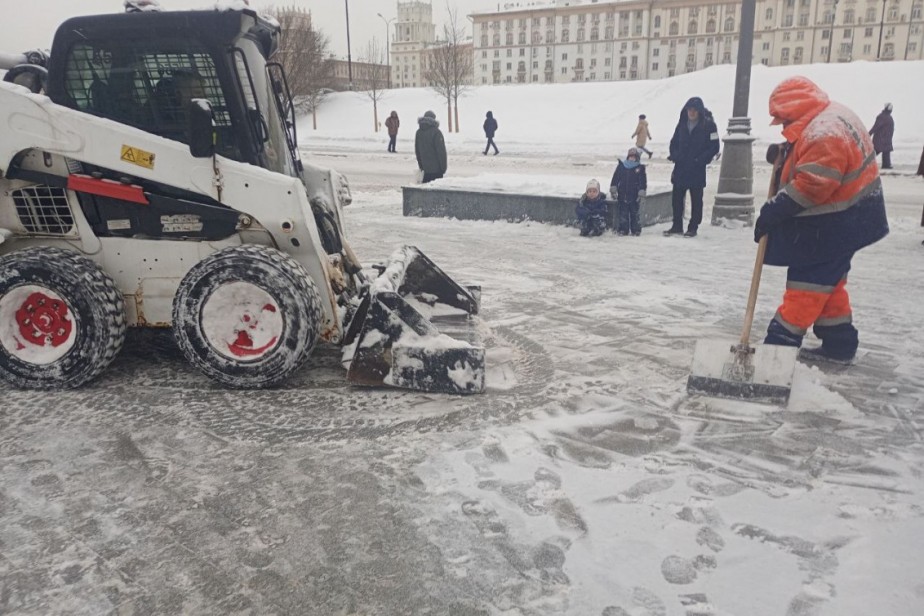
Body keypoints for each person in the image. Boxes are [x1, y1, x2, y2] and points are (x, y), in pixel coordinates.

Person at [754, 76, 888, 363]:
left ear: (795, 109)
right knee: (829, 280)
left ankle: (778, 348)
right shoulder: (826, 115)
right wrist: (784, 151)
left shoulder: (824, 133)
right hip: (850, 216)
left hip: (839, 221)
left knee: (808, 282)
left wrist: (774, 210)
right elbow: (806, 151)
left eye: (783, 119)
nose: (782, 125)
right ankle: (839, 343)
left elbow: (813, 185)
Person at [664, 97, 720, 237]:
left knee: (696, 200)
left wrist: (700, 160)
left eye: (694, 110)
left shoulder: (709, 126)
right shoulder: (682, 124)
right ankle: (677, 225)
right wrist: (675, 155)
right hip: (681, 168)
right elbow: (673, 143)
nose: (691, 112)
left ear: (699, 111)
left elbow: (714, 147)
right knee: (676, 200)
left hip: (696, 169)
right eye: (689, 109)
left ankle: (693, 227)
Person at [609, 147, 648, 236]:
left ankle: (636, 229)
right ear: (627, 157)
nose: (632, 159)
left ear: (637, 158)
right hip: (622, 194)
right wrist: (613, 187)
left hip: (634, 196)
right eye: (630, 157)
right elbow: (615, 178)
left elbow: (643, 181)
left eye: (634, 157)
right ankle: (623, 229)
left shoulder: (640, 168)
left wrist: (642, 191)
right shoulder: (621, 166)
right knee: (623, 214)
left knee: (634, 214)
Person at [415, 110, 447, 183]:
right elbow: (441, 152)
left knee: (426, 192)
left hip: (425, 170)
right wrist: (443, 168)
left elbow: (417, 151)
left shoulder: (418, 132)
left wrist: (421, 166)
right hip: (436, 170)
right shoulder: (436, 132)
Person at [869, 103, 895, 170]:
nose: (890, 109)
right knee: (876, 151)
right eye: (889, 108)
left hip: (886, 138)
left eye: (891, 108)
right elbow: (876, 127)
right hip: (880, 138)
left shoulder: (888, 116)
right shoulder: (882, 117)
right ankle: (867, 163)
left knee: (886, 151)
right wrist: (868, 134)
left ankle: (886, 165)